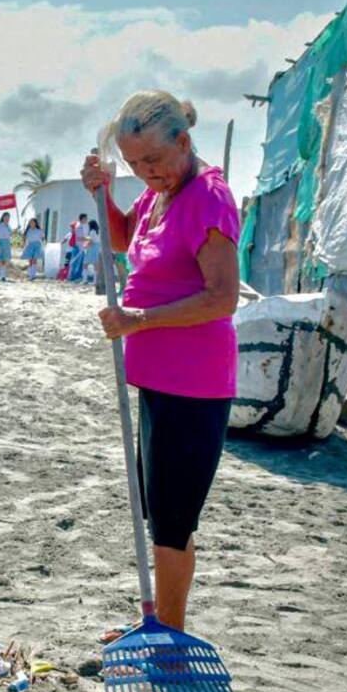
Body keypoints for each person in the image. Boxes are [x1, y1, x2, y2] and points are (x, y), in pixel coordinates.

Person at [80, 90, 239, 635]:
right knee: (159, 511)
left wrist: (137, 321)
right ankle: (160, 622)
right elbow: (126, 240)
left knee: (173, 519)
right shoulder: (158, 195)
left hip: (195, 386)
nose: (147, 173)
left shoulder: (208, 198)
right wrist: (102, 194)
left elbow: (222, 297)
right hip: (158, 381)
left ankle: (169, 633)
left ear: (184, 142)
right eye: (134, 166)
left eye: (154, 160)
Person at [67, 212, 89, 282]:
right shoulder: (79, 226)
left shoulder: (80, 226)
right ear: (82, 219)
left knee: (79, 262)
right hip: (78, 247)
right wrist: (89, 239)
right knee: (76, 263)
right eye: (85, 218)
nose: (86, 220)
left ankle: (76, 277)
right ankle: (73, 277)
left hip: (80, 247)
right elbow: (79, 238)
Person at [0, 211, 13, 281]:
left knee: (4, 260)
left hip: (7, 243)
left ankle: (3, 276)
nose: (7, 219)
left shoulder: (9, 227)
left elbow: (11, 234)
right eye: (6, 217)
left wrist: (17, 229)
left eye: (8, 217)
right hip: (0, 242)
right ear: (3, 217)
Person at [83, 220, 101, 284]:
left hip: (92, 249)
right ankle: (95, 281)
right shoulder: (98, 232)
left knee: (85, 264)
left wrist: (85, 246)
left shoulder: (92, 232)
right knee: (96, 265)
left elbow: (91, 242)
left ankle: (85, 280)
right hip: (97, 248)